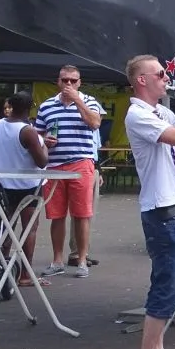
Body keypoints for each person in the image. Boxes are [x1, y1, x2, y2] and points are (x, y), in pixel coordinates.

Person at [123, 55, 175, 349]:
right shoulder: (138, 115)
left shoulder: (158, 111)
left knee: (170, 282)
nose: (166, 79)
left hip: (174, 205)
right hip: (161, 208)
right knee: (166, 284)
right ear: (141, 80)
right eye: (160, 75)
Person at [33, 65, 104, 278]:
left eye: (73, 80)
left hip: (81, 163)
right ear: (58, 81)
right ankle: (57, 260)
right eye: (65, 80)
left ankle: (81, 259)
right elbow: (38, 136)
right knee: (56, 215)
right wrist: (45, 140)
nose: (69, 84)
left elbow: (95, 123)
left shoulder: (89, 102)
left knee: (82, 214)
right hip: (54, 165)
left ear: (79, 82)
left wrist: (78, 100)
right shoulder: (46, 106)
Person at [0, 92, 50, 287]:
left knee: (6, 227)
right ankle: (26, 274)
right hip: (28, 186)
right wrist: (45, 147)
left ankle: (1, 269)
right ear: (29, 107)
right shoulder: (27, 131)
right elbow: (41, 161)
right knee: (29, 229)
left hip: (4, 183)